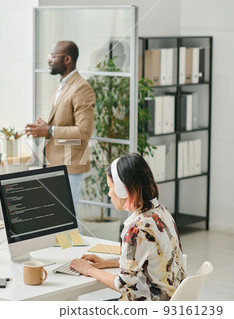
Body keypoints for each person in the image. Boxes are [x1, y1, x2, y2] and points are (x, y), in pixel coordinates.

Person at [70, 153, 186, 301]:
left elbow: (124, 284)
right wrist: (106, 263)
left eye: (110, 187)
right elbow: (145, 261)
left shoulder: (136, 229)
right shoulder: (161, 213)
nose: (109, 193)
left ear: (122, 190)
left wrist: (88, 269)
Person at [25, 40, 95, 216]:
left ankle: (79, 245)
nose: (49, 60)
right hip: (54, 162)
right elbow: (62, 122)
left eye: (53, 56)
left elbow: (84, 132)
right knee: (58, 218)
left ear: (67, 59)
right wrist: (45, 127)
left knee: (67, 217)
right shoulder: (61, 84)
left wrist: (50, 130)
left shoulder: (82, 89)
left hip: (70, 164)